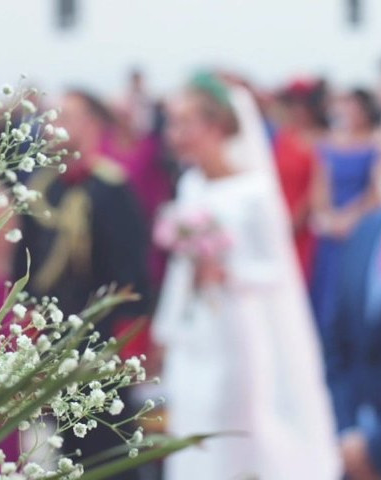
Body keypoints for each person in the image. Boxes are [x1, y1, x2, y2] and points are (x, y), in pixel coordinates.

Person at [152, 73, 340, 479]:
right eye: (173, 123)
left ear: (217, 126)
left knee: (231, 423)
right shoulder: (190, 184)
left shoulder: (254, 191)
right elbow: (179, 274)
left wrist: (227, 269)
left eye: (186, 123)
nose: (176, 134)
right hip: (195, 327)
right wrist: (167, 328)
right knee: (191, 414)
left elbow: (275, 267)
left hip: (237, 328)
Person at [14, 90, 150, 480]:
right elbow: (24, 259)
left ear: (92, 123)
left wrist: (130, 336)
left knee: (107, 444)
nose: (55, 125)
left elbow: (132, 269)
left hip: (102, 337)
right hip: (54, 333)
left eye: (67, 116)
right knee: (64, 444)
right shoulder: (42, 187)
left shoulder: (111, 187)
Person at [310, 88, 381, 332]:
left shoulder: (375, 142)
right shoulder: (329, 143)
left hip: (361, 226)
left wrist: (350, 219)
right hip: (331, 227)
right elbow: (321, 185)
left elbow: (375, 191)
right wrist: (327, 216)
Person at [326, 210, 381, 480]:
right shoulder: (366, 231)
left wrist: (374, 448)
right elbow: (337, 342)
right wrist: (347, 430)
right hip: (355, 442)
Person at [273, 78, 328, 281]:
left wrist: (297, 220)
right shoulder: (282, 137)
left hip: (304, 222)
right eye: (293, 105)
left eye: (303, 106)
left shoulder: (322, 139)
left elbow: (318, 186)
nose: (298, 111)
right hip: (278, 211)